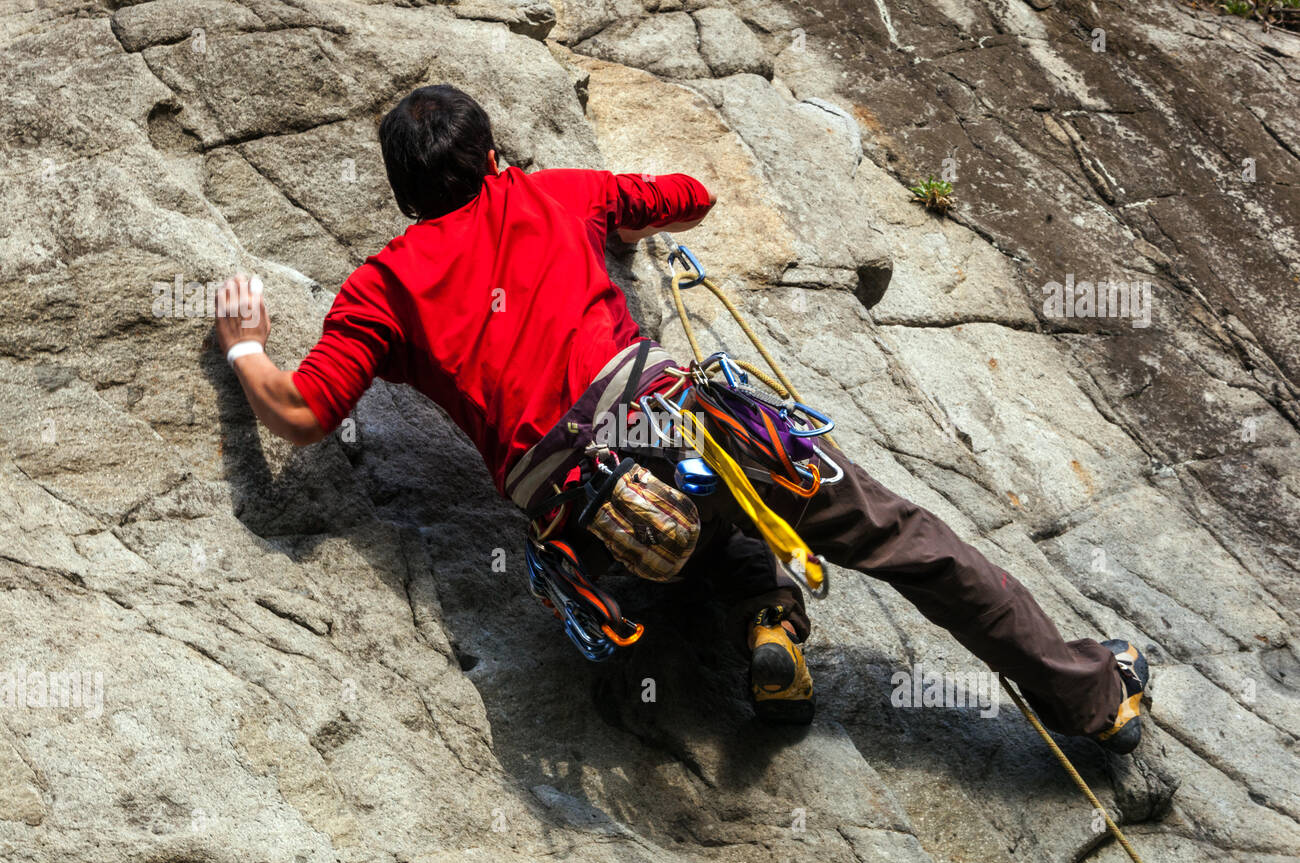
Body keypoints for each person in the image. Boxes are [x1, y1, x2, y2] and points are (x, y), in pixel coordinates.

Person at [212, 84, 1147, 747]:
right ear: (493, 157)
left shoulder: (384, 285)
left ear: (405, 197)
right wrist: (614, 222)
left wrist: (247, 342)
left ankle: (764, 618)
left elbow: (301, 413)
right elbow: (691, 199)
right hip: (674, 427)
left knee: (695, 530)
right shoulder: (554, 193)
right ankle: (1093, 697)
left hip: (582, 525)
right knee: (897, 536)